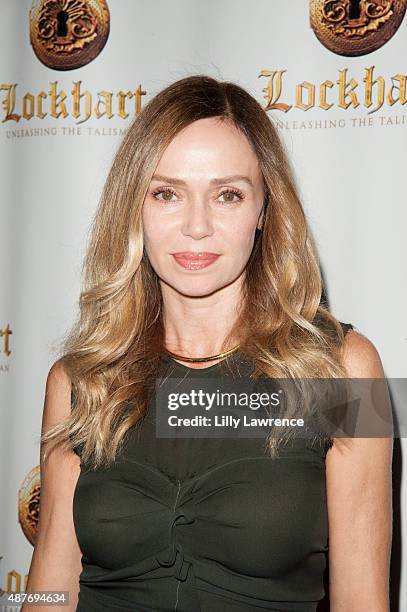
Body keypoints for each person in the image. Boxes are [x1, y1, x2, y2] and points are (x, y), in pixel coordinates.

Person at [24, 75, 393, 612]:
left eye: (227, 195)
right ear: (134, 207)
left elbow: (362, 602)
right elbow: (50, 592)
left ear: (264, 209)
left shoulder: (346, 371)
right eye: (167, 193)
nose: (196, 226)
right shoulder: (81, 379)